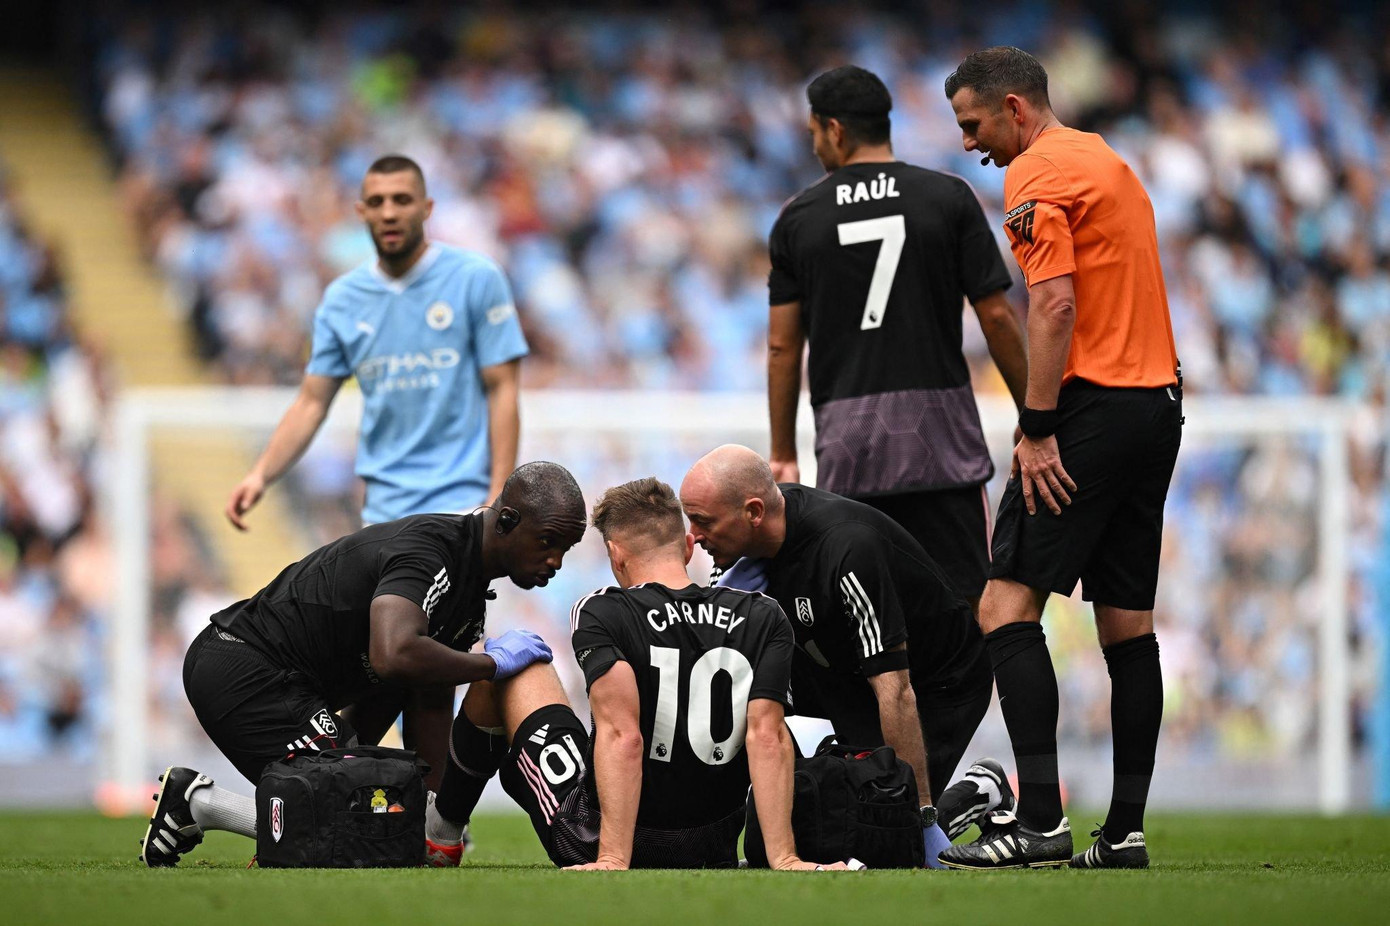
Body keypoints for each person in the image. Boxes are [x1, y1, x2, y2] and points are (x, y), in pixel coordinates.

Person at [938, 47, 1182, 871]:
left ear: (1014, 107)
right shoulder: (1106, 158)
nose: (970, 142)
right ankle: (1126, 833)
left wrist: (1036, 424)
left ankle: (1039, 824)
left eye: (973, 124)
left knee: (1004, 608)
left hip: (1090, 410)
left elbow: (1055, 301)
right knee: (1127, 627)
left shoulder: (1036, 172)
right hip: (1158, 404)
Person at [140, 463, 587, 867]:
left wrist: (435, 812)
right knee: (369, 822)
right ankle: (198, 803)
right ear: (507, 521)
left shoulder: (468, 592)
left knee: (387, 809)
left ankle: (313, 812)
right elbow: (392, 654)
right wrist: (490, 665)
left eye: (565, 549)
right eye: (548, 542)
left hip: (288, 683)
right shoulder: (432, 553)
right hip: (242, 667)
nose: (555, 561)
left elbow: (428, 700)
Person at [423, 477, 847, 871]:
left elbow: (623, 735)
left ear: (615, 554)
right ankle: (775, 853)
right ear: (686, 547)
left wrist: (611, 857)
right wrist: (786, 859)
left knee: (510, 664)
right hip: (711, 846)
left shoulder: (603, 611)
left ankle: (442, 834)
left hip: (599, 837)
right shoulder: (761, 613)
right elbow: (767, 736)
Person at [680, 445, 1014, 867]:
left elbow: (896, 690)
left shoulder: (846, 548)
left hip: (936, 682)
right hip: (842, 670)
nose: (694, 536)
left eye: (702, 521)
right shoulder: (737, 553)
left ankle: (978, 791)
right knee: (837, 820)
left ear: (754, 512)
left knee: (884, 831)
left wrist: (921, 817)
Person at [766, 65, 1026, 607]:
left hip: (849, 446)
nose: (815, 148)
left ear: (834, 129)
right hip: (941, 442)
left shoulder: (798, 218)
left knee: (869, 616)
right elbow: (997, 318)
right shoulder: (948, 198)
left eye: (814, 134)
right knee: (963, 609)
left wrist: (783, 451)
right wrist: (1037, 416)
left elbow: (782, 347)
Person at [225, 153, 526, 531]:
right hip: (384, 512)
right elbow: (311, 402)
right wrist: (260, 475)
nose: (389, 212)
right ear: (361, 212)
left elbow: (503, 389)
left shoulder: (476, 279)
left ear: (427, 208)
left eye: (401, 200)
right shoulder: (343, 299)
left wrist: (499, 494)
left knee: (399, 593)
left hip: (463, 506)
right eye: (377, 202)